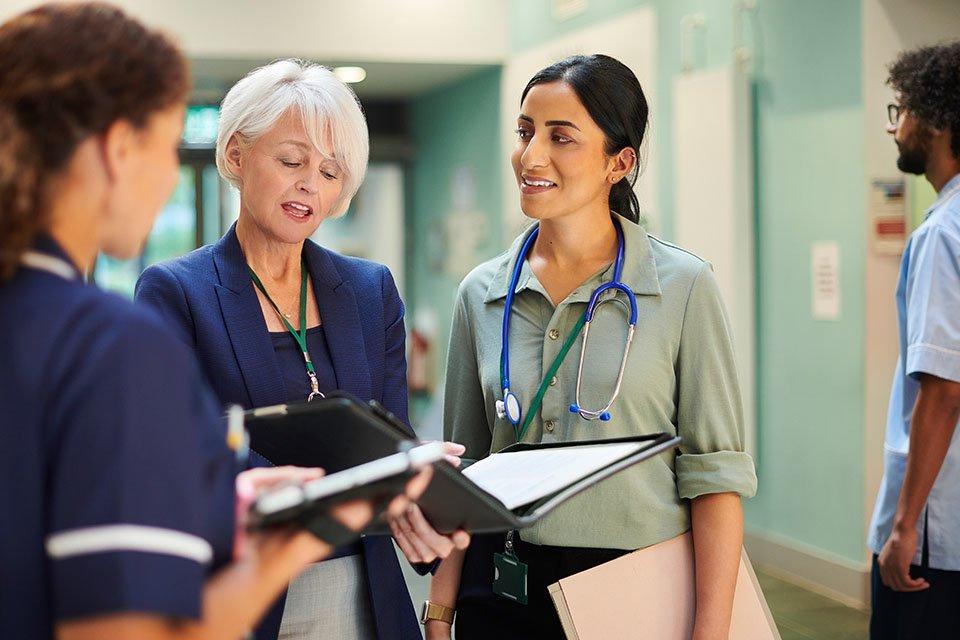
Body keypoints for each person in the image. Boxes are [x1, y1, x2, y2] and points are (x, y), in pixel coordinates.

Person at [0, 4, 429, 640]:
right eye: (167, 144)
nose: (173, 173)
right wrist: (310, 520)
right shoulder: (107, 341)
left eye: (330, 171)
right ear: (121, 147)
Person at [424, 54, 757, 640]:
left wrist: (712, 632)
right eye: (525, 132)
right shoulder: (481, 294)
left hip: (633, 586)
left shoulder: (683, 288)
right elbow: (464, 471)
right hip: (500, 584)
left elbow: (714, 479)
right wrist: (439, 612)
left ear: (619, 163)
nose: (531, 157)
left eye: (561, 138)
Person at [135, 59, 469, 640]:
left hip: (361, 589)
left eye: (331, 171)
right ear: (237, 156)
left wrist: (414, 483)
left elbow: (390, 439)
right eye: (291, 161)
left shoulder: (370, 290)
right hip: (240, 587)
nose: (310, 184)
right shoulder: (176, 292)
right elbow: (179, 450)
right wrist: (338, 490)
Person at [867, 41, 960, 640]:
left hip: (938, 536)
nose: (894, 127)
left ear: (934, 116)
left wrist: (906, 526)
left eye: (899, 110)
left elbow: (945, 388)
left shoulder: (943, 234)